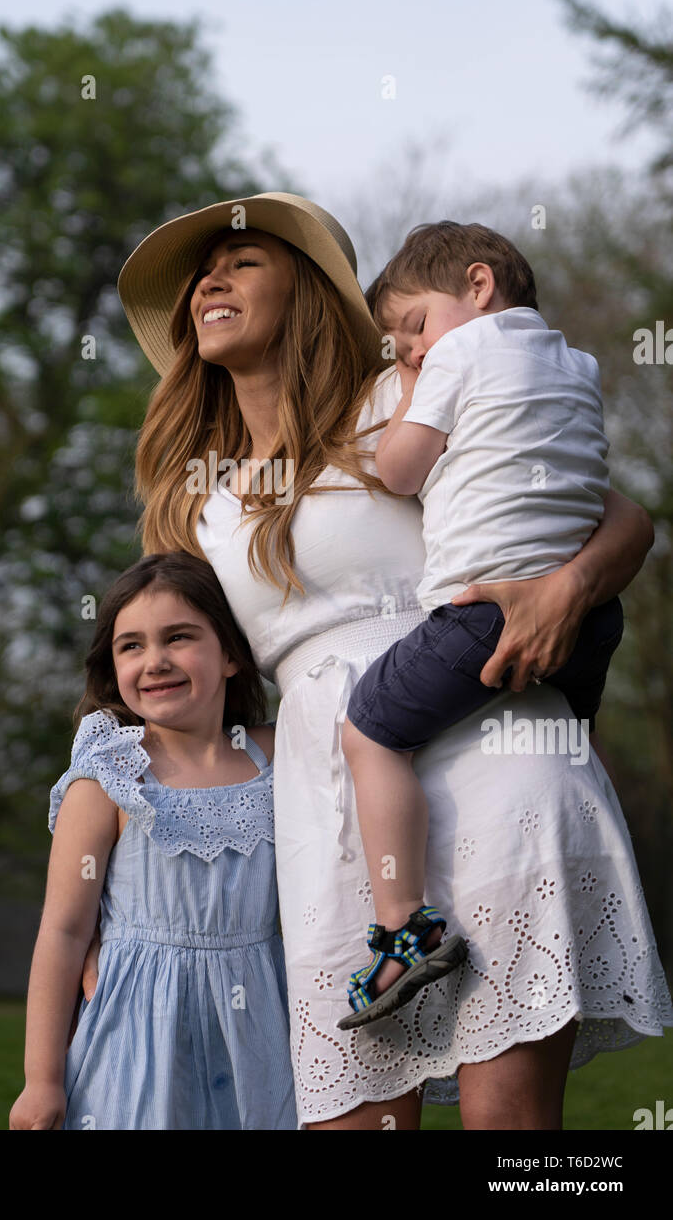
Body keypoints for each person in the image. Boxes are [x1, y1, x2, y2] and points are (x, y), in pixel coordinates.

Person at [105, 190, 672, 1130]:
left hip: (486, 734)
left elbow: (616, 516)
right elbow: (192, 697)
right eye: (201, 273)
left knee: (514, 1134)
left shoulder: (397, 399)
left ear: (307, 289)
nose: (212, 277)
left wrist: (567, 592)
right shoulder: (195, 503)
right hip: (328, 792)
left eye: (242, 260)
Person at [337, 221, 625, 1029]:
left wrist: (386, 420)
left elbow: (399, 470)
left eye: (413, 329)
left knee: (369, 732)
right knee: (571, 733)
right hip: (593, 617)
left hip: (482, 614)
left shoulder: (460, 356)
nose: (411, 355)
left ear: (479, 285)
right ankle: (596, 871)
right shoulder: (578, 363)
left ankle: (405, 926)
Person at [9, 551, 296, 1131]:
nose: (155, 661)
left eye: (179, 637)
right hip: (135, 1034)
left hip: (261, 1027)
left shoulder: (283, 755)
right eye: (131, 646)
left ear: (233, 655)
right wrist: (40, 1081)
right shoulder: (110, 777)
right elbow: (64, 931)